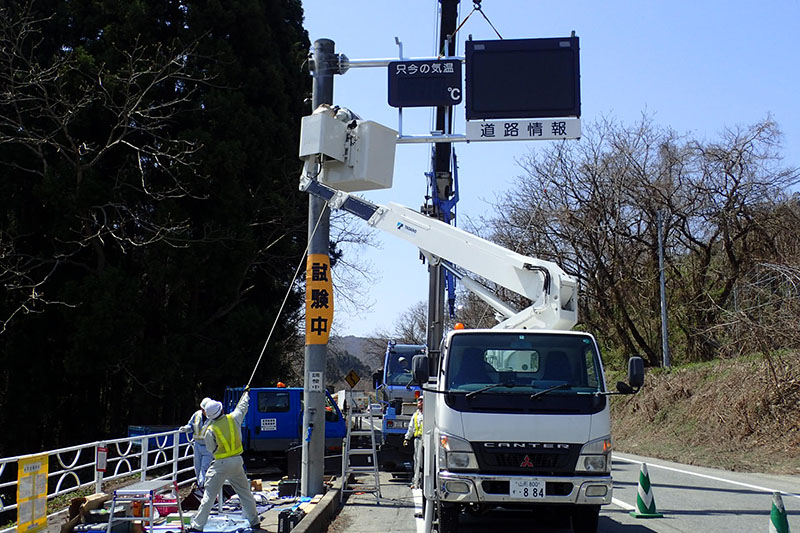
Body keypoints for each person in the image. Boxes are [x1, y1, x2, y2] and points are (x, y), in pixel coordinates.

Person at [189, 391, 260, 532]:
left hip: (221, 464)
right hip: (237, 462)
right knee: (245, 493)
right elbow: (242, 407)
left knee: (209, 496)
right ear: (221, 409)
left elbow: (211, 449)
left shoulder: (211, 430)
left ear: (208, 416)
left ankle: (197, 526)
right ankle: (254, 521)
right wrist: (245, 394)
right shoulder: (233, 418)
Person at [179, 397, 214, 491]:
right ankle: (200, 486)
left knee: (204, 467)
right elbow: (191, 426)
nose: (204, 411)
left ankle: (202, 486)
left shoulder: (213, 417)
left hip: (208, 446)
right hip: (197, 445)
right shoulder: (196, 415)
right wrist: (186, 428)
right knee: (197, 467)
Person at [403, 397, 424, 490]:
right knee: (417, 461)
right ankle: (416, 481)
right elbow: (411, 428)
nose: (420, 402)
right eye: (419, 401)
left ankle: (425, 481)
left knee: (426, 462)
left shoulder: (429, 414)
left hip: (428, 440)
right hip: (418, 440)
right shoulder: (415, 415)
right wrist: (407, 438)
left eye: (422, 401)